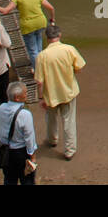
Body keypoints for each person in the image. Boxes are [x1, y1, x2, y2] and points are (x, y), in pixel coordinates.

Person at [34, 23, 85, 160]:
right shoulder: (69, 49)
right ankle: (69, 150)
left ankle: (52, 140)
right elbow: (79, 67)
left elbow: (39, 81)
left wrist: (40, 98)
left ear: (47, 38)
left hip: (50, 94)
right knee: (69, 121)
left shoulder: (42, 56)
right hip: (68, 92)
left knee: (51, 119)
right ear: (59, 35)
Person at [0, 0, 55, 69]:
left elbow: (5, 11)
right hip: (40, 22)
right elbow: (51, 8)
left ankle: (38, 70)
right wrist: (52, 19)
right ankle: (42, 65)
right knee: (39, 47)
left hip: (28, 26)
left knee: (32, 50)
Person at [0, 81, 38, 185]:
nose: (26, 95)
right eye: (25, 93)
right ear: (17, 98)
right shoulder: (25, 114)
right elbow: (29, 138)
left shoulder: (1, 108)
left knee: (9, 180)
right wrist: (32, 156)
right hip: (21, 153)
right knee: (27, 180)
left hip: (5, 151)